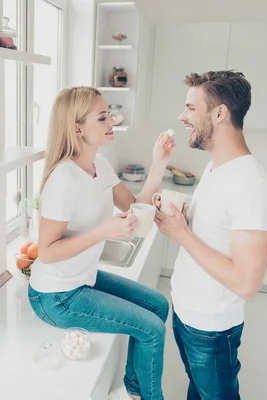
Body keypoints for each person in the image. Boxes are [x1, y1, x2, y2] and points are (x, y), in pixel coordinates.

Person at [28, 86, 175, 400]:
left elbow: (136, 208)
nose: (112, 121)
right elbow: (48, 252)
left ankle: (132, 392)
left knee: (159, 306)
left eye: (109, 114)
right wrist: (102, 232)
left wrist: (159, 162)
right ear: (77, 128)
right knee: (152, 329)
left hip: (82, 280)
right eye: (103, 116)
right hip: (55, 297)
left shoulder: (101, 166)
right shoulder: (63, 180)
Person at [154, 70, 267, 400]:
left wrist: (182, 235)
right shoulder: (215, 167)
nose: (182, 117)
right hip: (186, 312)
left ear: (220, 113)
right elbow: (211, 234)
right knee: (197, 391)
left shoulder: (252, 182)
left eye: (191, 109)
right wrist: (182, 221)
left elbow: (246, 283)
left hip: (211, 328)